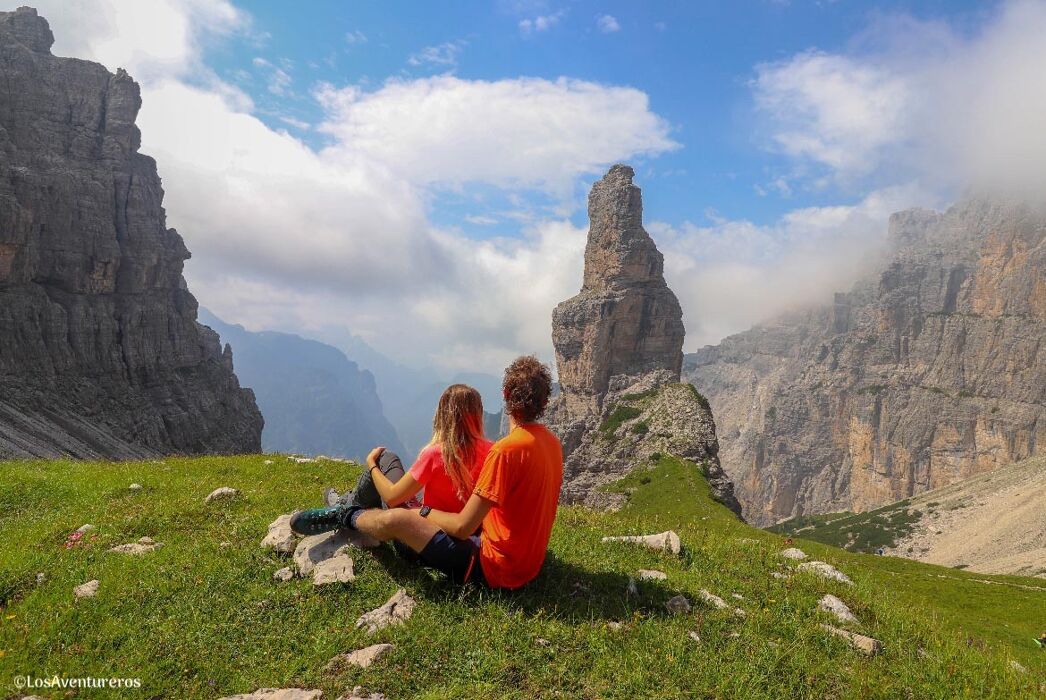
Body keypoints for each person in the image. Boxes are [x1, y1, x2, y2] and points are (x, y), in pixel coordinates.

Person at [291, 355, 563, 589]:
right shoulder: (552, 443)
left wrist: (420, 512)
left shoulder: (505, 451)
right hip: (527, 565)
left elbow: (461, 527)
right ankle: (350, 507)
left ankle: (347, 514)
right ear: (545, 401)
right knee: (403, 508)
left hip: (492, 566)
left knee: (398, 517)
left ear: (505, 396)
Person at [323, 384, 493, 516]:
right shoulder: (493, 451)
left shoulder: (436, 454)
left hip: (421, 531)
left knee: (385, 458)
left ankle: (344, 505)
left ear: (443, 414)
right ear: (479, 413)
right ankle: (357, 503)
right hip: (465, 533)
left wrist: (371, 465)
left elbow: (392, 497)